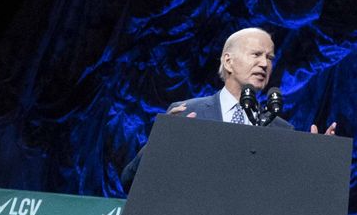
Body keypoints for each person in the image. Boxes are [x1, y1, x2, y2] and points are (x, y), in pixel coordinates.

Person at [120, 27, 337, 187]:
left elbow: (290, 198)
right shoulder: (187, 114)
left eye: (269, 58)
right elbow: (131, 180)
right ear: (228, 61)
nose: (264, 63)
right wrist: (163, 142)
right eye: (256, 54)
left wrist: (316, 162)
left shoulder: (281, 130)